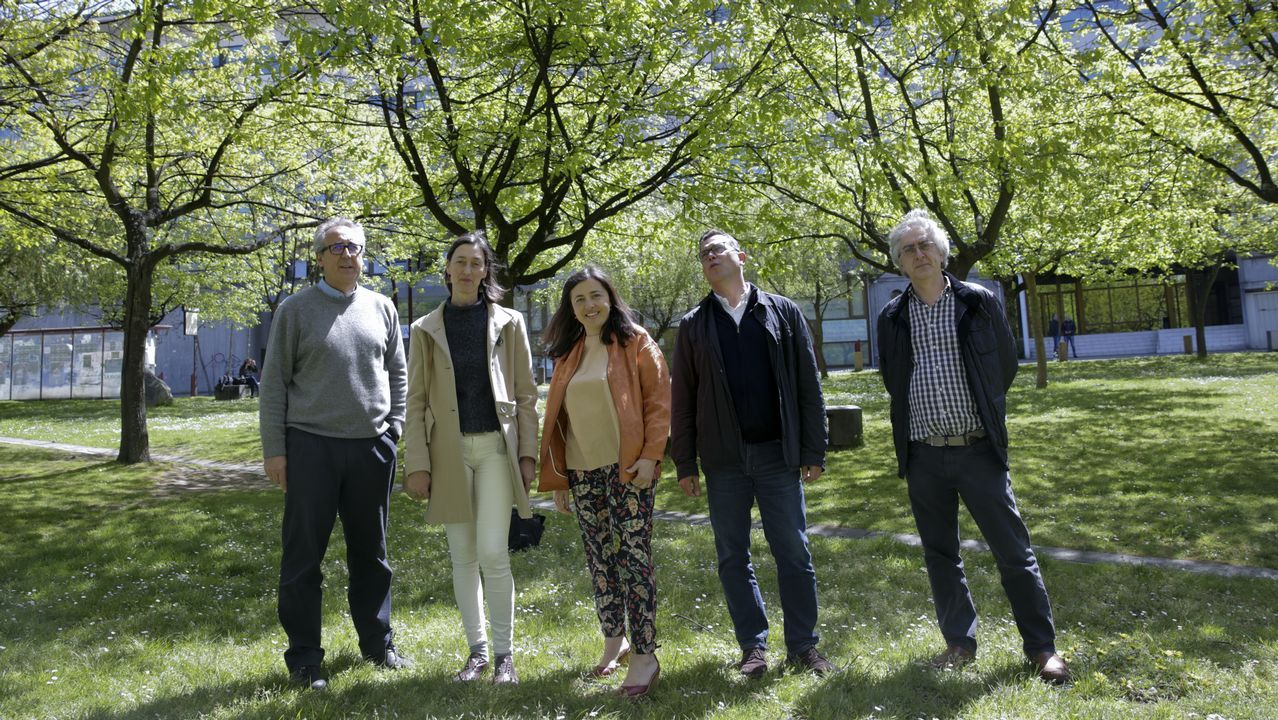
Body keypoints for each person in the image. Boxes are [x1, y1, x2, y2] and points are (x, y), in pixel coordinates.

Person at [876, 209, 1070, 685]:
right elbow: (893, 379)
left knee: (1013, 552)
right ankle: (959, 644)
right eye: (908, 249)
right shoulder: (893, 316)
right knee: (941, 555)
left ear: (941, 251)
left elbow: (1003, 367)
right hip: (923, 454)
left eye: (925, 245)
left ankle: (1042, 650)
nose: (918, 254)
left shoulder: (979, 302)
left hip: (978, 450)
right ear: (899, 262)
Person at [671, 229, 834, 678]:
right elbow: (682, 398)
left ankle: (803, 645)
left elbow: (808, 384)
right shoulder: (693, 325)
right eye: (703, 254)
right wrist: (685, 462)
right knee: (732, 557)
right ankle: (753, 647)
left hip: (778, 456)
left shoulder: (782, 312)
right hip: (724, 462)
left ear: (740, 256)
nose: (709, 257)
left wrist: (813, 447)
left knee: (794, 553)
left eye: (717, 250)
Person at [259, 217, 409, 691]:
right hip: (311, 447)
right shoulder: (295, 310)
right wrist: (276, 451)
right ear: (319, 258)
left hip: (371, 447)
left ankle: (377, 643)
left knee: (373, 553)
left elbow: (399, 374)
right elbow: (274, 385)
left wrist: (395, 430)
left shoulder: (382, 308)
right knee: (304, 557)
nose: (347, 255)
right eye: (337, 247)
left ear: (365, 255)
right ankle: (305, 658)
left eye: (356, 248)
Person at [402, 231, 538, 686]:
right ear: (447, 269)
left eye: (475, 263)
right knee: (462, 556)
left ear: (485, 272)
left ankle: (505, 656)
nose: (466, 270)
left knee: (493, 553)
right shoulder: (425, 329)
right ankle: (477, 653)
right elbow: (416, 401)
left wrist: (527, 454)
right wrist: (417, 464)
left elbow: (524, 395)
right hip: (448, 452)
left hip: (496, 449)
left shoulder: (510, 322)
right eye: (459, 262)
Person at [538, 266, 671, 697]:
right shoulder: (569, 352)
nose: (589, 305)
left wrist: (652, 456)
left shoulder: (635, 342)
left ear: (610, 298)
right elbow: (558, 421)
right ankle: (615, 641)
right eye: (579, 299)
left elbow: (658, 403)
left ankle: (646, 655)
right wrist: (560, 480)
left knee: (634, 560)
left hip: (628, 470)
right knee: (600, 562)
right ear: (571, 309)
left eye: (595, 296)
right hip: (582, 473)